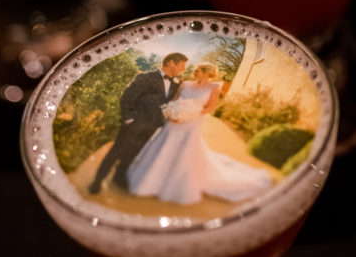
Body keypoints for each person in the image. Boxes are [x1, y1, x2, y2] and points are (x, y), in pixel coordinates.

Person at [126, 62, 273, 204]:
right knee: (165, 144)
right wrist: (173, 112)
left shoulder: (214, 87)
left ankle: (178, 186)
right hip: (174, 121)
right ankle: (150, 181)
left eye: (201, 71)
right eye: (198, 70)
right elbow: (175, 100)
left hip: (193, 122)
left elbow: (211, 107)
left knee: (186, 151)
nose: (198, 73)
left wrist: (191, 113)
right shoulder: (185, 84)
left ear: (208, 73)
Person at [87, 52, 188, 194]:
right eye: (182, 66)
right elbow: (127, 97)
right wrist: (129, 119)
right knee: (117, 151)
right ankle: (97, 181)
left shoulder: (177, 84)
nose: (183, 69)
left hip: (154, 126)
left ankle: (118, 177)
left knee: (133, 153)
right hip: (135, 123)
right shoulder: (146, 77)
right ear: (172, 63)